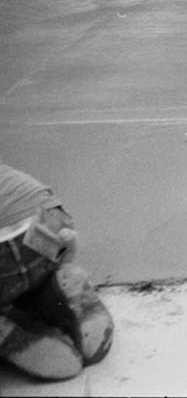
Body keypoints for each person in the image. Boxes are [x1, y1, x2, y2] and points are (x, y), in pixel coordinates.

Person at [0, 162, 114, 381]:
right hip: (48, 218)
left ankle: (14, 338)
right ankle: (63, 284)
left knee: (10, 279)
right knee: (32, 277)